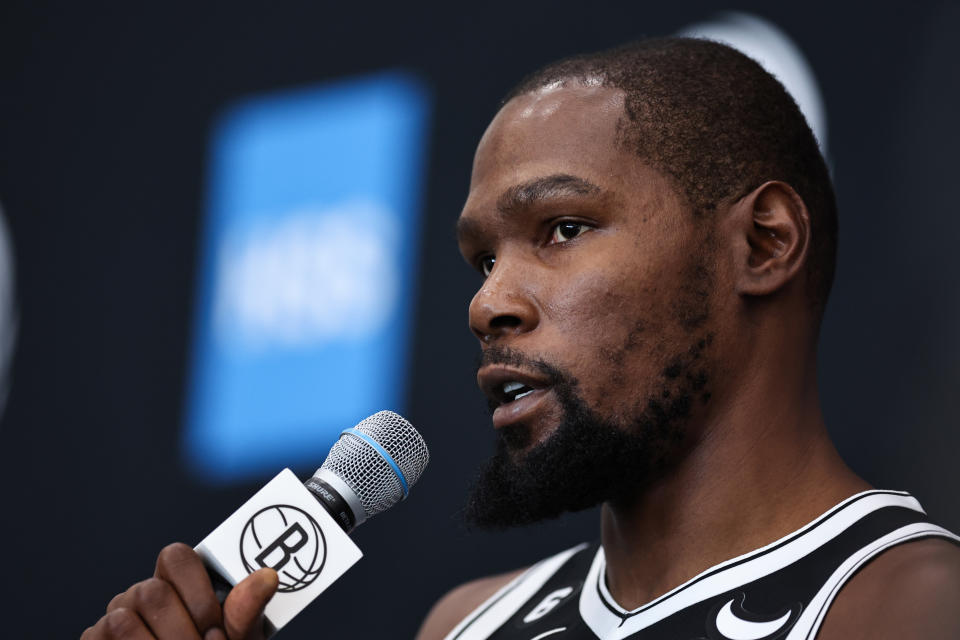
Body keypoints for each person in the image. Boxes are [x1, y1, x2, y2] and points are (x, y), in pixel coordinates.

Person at [82, 38, 960, 640]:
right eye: (479, 260)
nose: (488, 304)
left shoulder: (910, 605)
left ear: (764, 241)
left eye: (562, 229)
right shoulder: (465, 625)